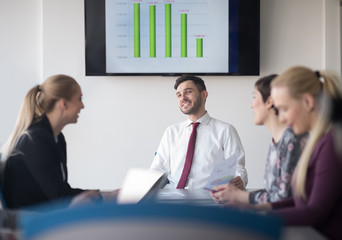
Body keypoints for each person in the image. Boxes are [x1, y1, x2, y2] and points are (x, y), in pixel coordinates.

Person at [216, 66, 342, 239]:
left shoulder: (331, 144)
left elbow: (315, 212)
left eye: (284, 108)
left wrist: (252, 216)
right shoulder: (320, 142)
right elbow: (298, 202)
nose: (281, 117)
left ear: (308, 102)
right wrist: (252, 208)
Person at [0, 75, 113, 210]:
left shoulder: (57, 139)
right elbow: (59, 197)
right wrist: (103, 197)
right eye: (79, 99)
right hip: (29, 222)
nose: (82, 106)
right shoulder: (35, 141)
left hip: (45, 214)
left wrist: (106, 194)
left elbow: (61, 191)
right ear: (63, 104)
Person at [211, 74, 308, 204]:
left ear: (269, 102)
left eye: (254, 97)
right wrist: (235, 194)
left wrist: (240, 197)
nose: (251, 105)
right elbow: (273, 192)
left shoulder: (292, 141)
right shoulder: (277, 141)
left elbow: (283, 199)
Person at [150, 74, 247, 190]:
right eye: (179, 95)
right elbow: (158, 169)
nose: (183, 98)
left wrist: (239, 180)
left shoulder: (225, 130)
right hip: (173, 197)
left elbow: (237, 168)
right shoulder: (171, 132)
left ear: (204, 95)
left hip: (209, 198)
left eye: (188, 92)